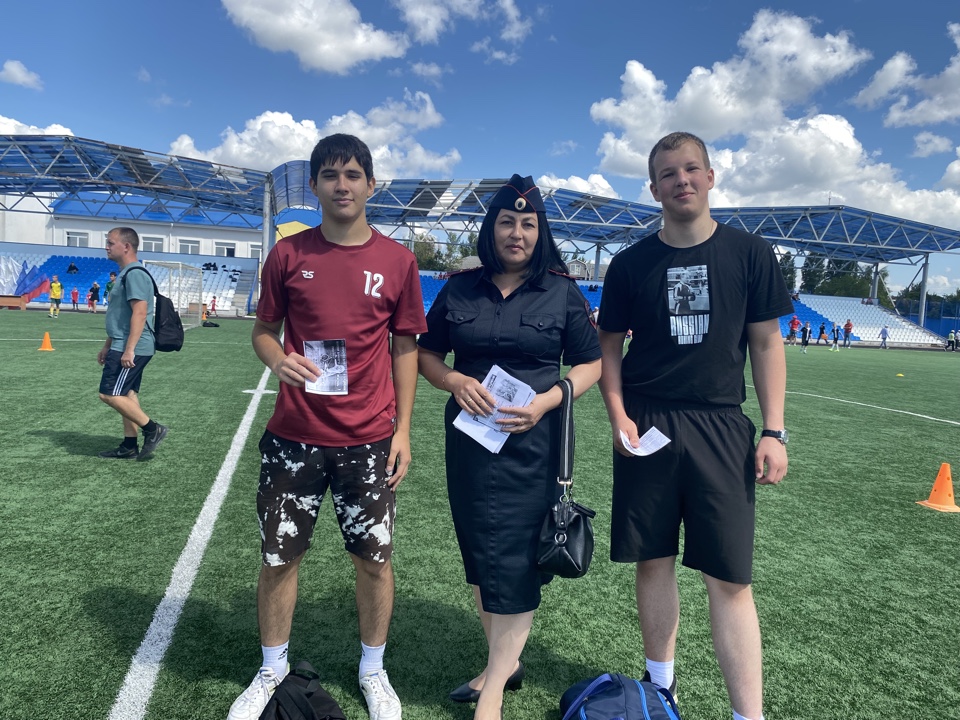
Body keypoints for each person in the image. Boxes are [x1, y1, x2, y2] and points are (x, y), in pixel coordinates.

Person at [229, 134, 426, 720]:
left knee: (374, 560)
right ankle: (271, 667)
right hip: (294, 438)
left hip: (369, 441)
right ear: (314, 185)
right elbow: (263, 331)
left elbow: (406, 348)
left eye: (353, 174)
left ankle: (373, 669)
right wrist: (276, 359)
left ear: (371, 184)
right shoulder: (288, 255)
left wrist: (403, 430)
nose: (343, 185)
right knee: (278, 558)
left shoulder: (398, 261)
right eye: (331, 175)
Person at [597, 132, 791, 720]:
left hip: (721, 424)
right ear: (653, 188)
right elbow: (609, 348)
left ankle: (747, 714)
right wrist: (618, 415)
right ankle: (661, 690)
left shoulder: (750, 253)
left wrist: (774, 430)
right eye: (667, 173)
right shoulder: (630, 263)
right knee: (653, 559)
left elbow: (767, 342)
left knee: (729, 576)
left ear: (710, 177)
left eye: (690, 169)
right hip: (648, 421)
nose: (680, 180)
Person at [417, 174, 601, 720]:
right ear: (490, 228)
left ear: (540, 232)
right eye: (506, 222)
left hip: (533, 445)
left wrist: (550, 400)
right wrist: (453, 381)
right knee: (481, 555)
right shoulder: (459, 289)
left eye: (527, 224)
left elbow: (591, 363)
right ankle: (505, 663)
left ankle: (493, 688)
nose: (516, 233)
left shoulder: (561, 291)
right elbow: (427, 355)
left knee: (518, 560)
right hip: (470, 444)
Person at [96, 227, 168, 461]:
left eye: (111, 243)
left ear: (126, 246)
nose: (106, 247)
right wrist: (108, 344)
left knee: (108, 394)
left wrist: (129, 350)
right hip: (122, 343)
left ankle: (153, 429)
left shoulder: (135, 274)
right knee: (127, 393)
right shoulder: (126, 273)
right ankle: (129, 446)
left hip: (131, 346)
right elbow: (121, 316)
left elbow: (139, 312)